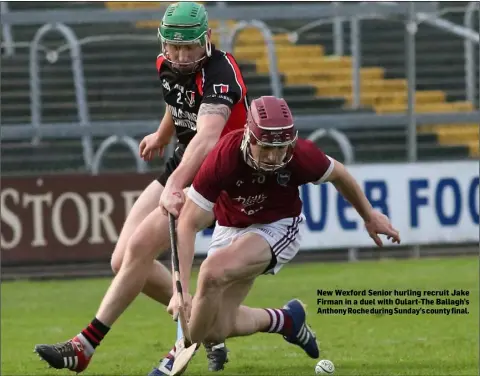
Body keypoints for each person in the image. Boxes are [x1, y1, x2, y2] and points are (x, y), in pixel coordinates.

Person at [34, 2, 250, 375]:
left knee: (137, 249)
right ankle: (216, 323)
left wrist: (177, 185)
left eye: (190, 48)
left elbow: (208, 136)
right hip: (183, 161)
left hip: (220, 173)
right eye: (174, 47)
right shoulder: (166, 63)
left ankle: (85, 345)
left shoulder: (220, 73)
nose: (181, 57)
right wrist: (162, 134)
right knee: (123, 262)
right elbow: (176, 102)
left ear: (208, 40)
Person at [166, 96, 401, 375]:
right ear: (248, 137)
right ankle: (287, 320)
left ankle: (176, 359)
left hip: (278, 226)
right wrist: (178, 289)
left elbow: (339, 173)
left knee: (211, 272)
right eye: (265, 147)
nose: (274, 157)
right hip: (232, 226)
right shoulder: (223, 157)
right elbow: (187, 224)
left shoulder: (301, 155)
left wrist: (369, 216)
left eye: (280, 148)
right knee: (216, 328)